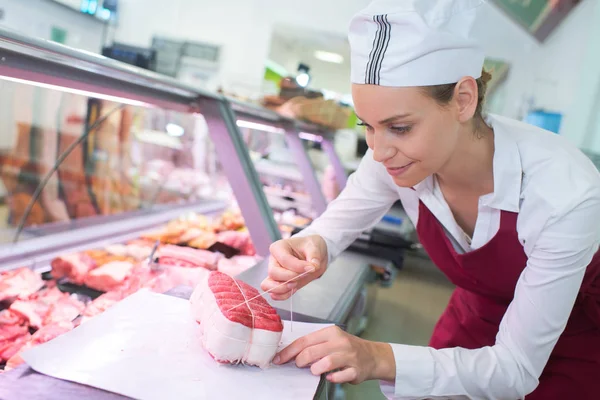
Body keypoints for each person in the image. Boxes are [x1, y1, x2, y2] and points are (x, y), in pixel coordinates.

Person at [260, 0, 600, 398]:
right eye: (366, 126)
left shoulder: (564, 193)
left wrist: (375, 357)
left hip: (575, 341)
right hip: (475, 317)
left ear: (463, 99)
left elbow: (515, 369)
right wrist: (310, 245)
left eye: (399, 127)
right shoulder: (391, 157)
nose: (379, 150)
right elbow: (330, 231)